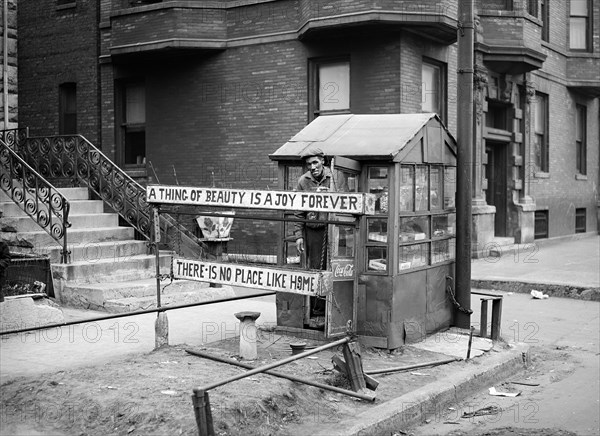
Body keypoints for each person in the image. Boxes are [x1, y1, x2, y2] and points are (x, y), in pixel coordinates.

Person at [294, 148, 332, 270]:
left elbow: (347, 201)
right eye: (309, 164)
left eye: (315, 162)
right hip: (313, 231)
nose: (312, 167)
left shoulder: (334, 177)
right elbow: (298, 212)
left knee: (334, 267)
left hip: (333, 228)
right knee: (315, 267)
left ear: (322, 161)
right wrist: (299, 236)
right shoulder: (303, 181)